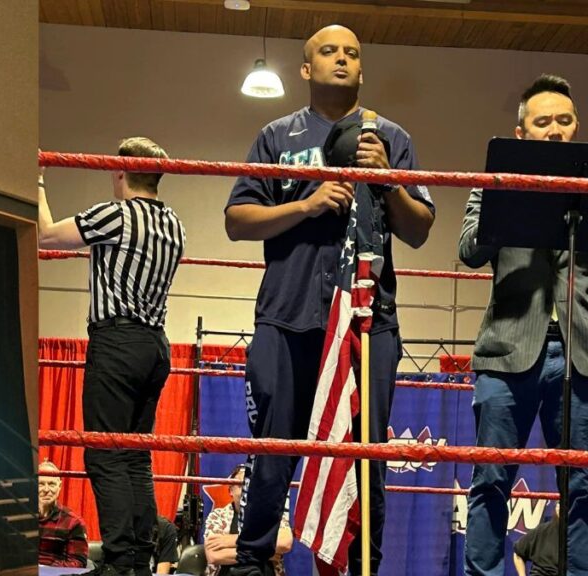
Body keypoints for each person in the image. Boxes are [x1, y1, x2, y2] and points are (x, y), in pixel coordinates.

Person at [223, 24, 434, 576]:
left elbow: (420, 231)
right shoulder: (276, 136)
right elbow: (236, 221)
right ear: (305, 68)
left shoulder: (393, 136)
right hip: (287, 317)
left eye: (351, 53)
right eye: (328, 51)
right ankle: (251, 565)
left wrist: (388, 180)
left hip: (369, 321)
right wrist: (308, 204)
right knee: (273, 452)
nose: (341, 59)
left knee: (367, 461)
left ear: (362, 70)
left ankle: (363, 565)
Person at [39, 137, 187, 576]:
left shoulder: (117, 214)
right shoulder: (174, 224)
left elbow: (47, 234)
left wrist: (38, 178)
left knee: (104, 454)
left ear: (119, 172)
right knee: (134, 455)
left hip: (118, 341)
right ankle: (139, 556)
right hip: (156, 345)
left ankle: (122, 561)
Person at [459, 74, 587, 576]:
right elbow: (468, 249)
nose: (554, 130)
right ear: (521, 130)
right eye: (543, 122)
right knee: (491, 477)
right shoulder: (495, 178)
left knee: (582, 485)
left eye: (564, 120)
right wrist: (509, 195)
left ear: (575, 126)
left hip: (582, 354)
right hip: (507, 351)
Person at [203, 463, 292, 576]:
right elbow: (214, 556)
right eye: (241, 484)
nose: (247, 489)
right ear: (230, 490)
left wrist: (230, 541)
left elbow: (285, 543)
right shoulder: (217, 516)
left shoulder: (272, 514)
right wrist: (265, 552)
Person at [39, 460, 90, 568]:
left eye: (52, 484)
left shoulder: (74, 522)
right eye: (41, 484)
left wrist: (47, 570)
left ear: (59, 486)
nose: (46, 489)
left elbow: (78, 563)